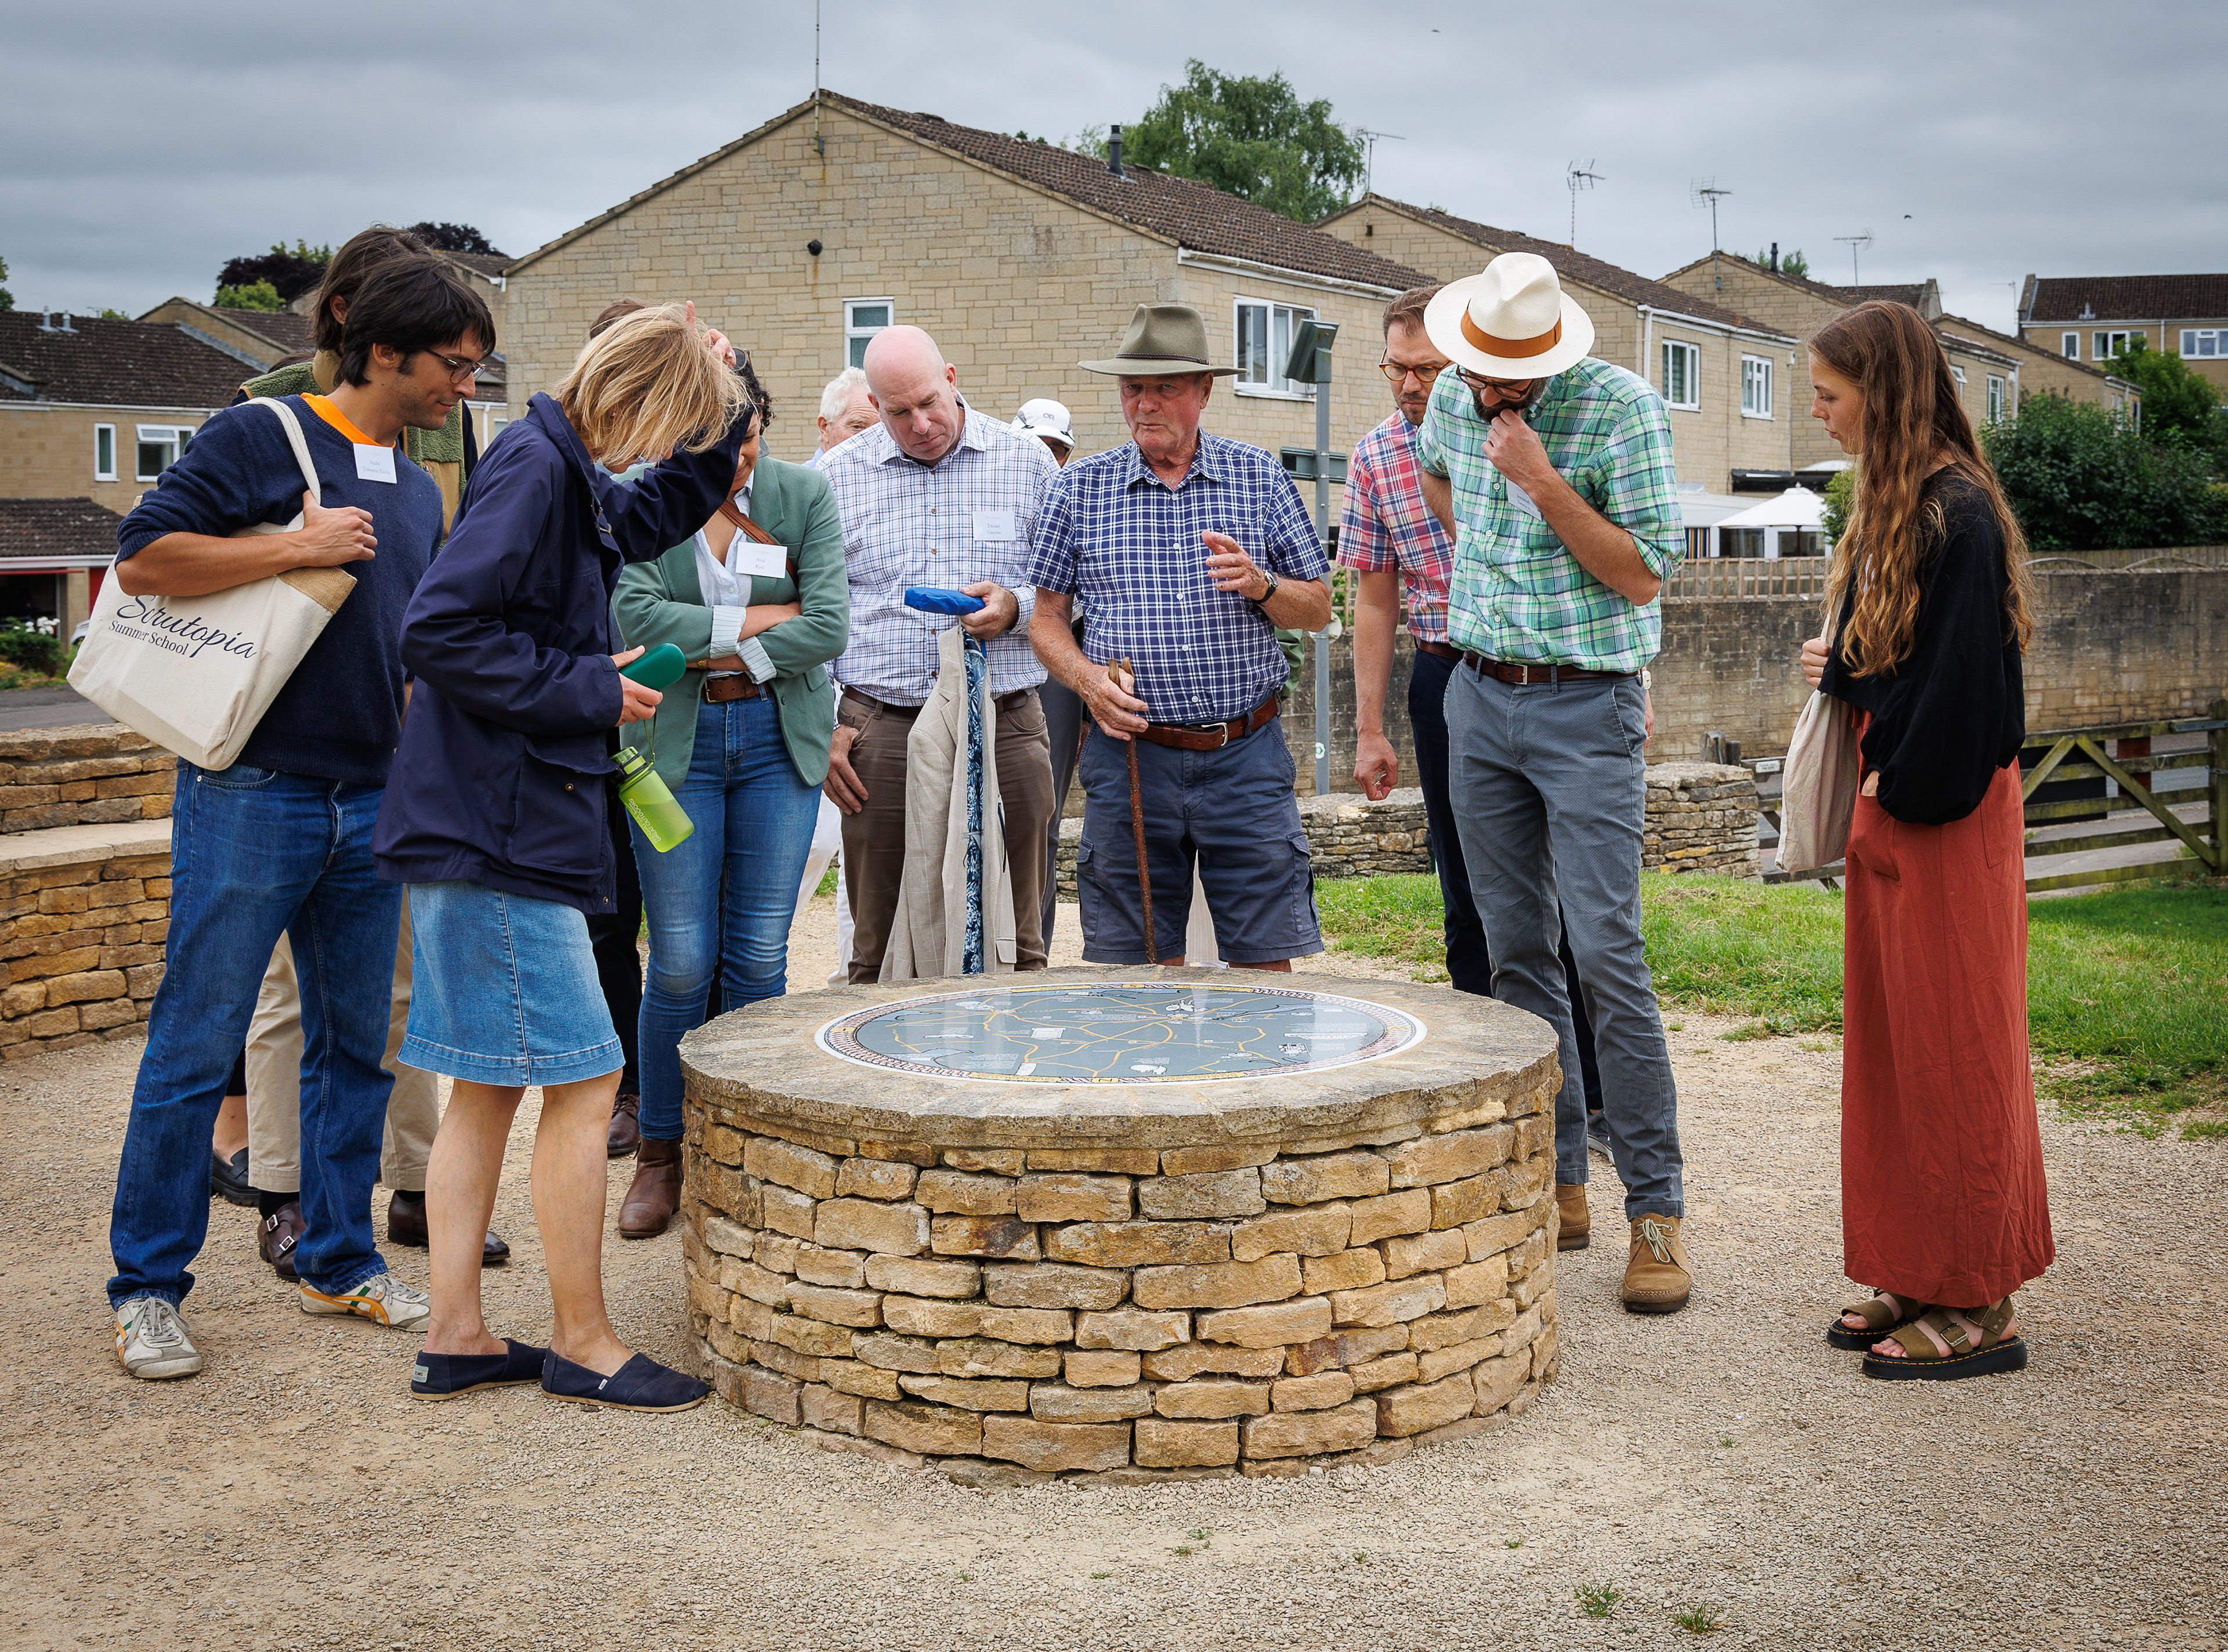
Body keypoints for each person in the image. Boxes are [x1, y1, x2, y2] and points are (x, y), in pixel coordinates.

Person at [105, 258, 494, 1380]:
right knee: (194, 1044)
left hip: (374, 799)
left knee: (356, 1045)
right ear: (386, 352)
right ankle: (146, 1287)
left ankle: (338, 1254)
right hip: (252, 792)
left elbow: (404, 644)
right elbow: (138, 563)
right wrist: (294, 545)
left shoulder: (420, 488)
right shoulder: (261, 438)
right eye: (453, 367)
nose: (463, 391)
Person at [375, 302, 751, 1410]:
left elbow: (649, 519)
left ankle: (458, 1333)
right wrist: (592, 686)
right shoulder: (539, 471)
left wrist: (728, 428)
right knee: (588, 1077)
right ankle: (583, 1340)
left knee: (488, 1086)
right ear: (631, 400)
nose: (655, 451)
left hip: (480, 821)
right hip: (498, 830)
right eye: (668, 425)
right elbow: (437, 631)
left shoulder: (559, 463)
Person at [1413, 252, 1694, 1314]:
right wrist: (1492, 550)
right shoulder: (1453, 389)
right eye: (1477, 373)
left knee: (1608, 954)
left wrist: (1539, 481)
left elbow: (1642, 570)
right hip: (1479, 695)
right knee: (1515, 949)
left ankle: (1655, 1211)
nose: (1487, 394)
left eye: (1506, 379)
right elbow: (1443, 474)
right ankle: (1560, 1176)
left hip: (1588, 704)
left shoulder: (1622, 411)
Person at [225, 231, 493, 1263]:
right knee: (292, 988)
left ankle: (420, 1181)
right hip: (293, 735)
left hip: (407, 719)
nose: (459, 383)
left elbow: (450, 544)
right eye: (449, 358)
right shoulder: (269, 409)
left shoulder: (445, 420)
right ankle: (281, 1187)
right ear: (356, 320)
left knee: (401, 972)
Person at [1800, 301, 2052, 1379]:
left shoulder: (1958, 514)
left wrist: (1864, 704)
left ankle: (1979, 1295)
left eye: (1829, 394)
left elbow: (1967, 699)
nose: (1817, 412)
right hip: (1901, 805)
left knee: (1955, 1051)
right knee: (1900, 1052)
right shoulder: (1902, 501)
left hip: (1939, 814)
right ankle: (1921, 1264)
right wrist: (1851, 675)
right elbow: (1903, 669)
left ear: (1884, 395)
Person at [1343, 284, 1615, 1177]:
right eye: (1398, 368)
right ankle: (1495, 1077)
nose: (1411, 384)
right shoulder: (1379, 456)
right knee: (1472, 897)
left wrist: (1623, 678)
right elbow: (1372, 598)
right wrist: (1370, 726)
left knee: (1574, 904)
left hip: (1555, 666)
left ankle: (1595, 1098)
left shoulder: (1509, 426)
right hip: (1448, 668)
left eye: (1425, 368)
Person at [610, 362, 848, 1238]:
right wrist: (761, 622)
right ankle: (662, 1152)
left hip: (775, 741)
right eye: (716, 453)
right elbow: (632, 618)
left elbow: (829, 623)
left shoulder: (801, 493)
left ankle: (747, 1145)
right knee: (677, 957)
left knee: (756, 951)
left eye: (746, 447)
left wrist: (725, 651)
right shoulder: (639, 498)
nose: (736, 470)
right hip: (674, 749)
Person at [1027, 303, 1332, 969]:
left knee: (1265, 965)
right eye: (1133, 388)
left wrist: (1262, 586)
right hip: (1132, 756)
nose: (1145, 404)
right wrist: (1086, 682)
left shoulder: (1258, 477)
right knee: (1136, 971)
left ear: (1204, 391)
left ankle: (1262, 1077)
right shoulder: (1079, 488)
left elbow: (1317, 607)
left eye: (1165, 387)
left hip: (1245, 755)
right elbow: (1044, 619)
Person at [820, 325, 1059, 981]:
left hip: (1006, 718)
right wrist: (827, 729)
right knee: (880, 940)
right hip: (882, 728)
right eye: (898, 412)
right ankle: (884, 1081)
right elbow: (813, 611)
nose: (921, 424)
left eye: (930, 402)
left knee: (1018, 939)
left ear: (952, 378)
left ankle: (1010, 1079)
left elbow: (1075, 596)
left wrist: (1013, 606)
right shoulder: (837, 476)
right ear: (873, 403)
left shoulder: (1028, 462)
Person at [580, 295, 655, 1162]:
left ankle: (669, 1088)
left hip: (663, 721)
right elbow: (632, 602)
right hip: (597, 725)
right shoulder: (577, 474)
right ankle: (625, 1089)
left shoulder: (685, 479)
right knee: (608, 923)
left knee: (685, 931)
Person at [1010, 397, 1086, 946]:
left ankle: (1033, 938)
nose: (1047, 458)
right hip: (1004, 664)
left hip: (1059, 676)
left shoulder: (1079, 500)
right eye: (1037, 447)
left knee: (1047, 814)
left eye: (1056, 449)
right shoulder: (994, 491)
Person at [809, 366, 879, 467]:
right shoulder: (800, 482)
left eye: (880, 429)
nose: (872, 440)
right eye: (857, 427)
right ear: (824, 427)